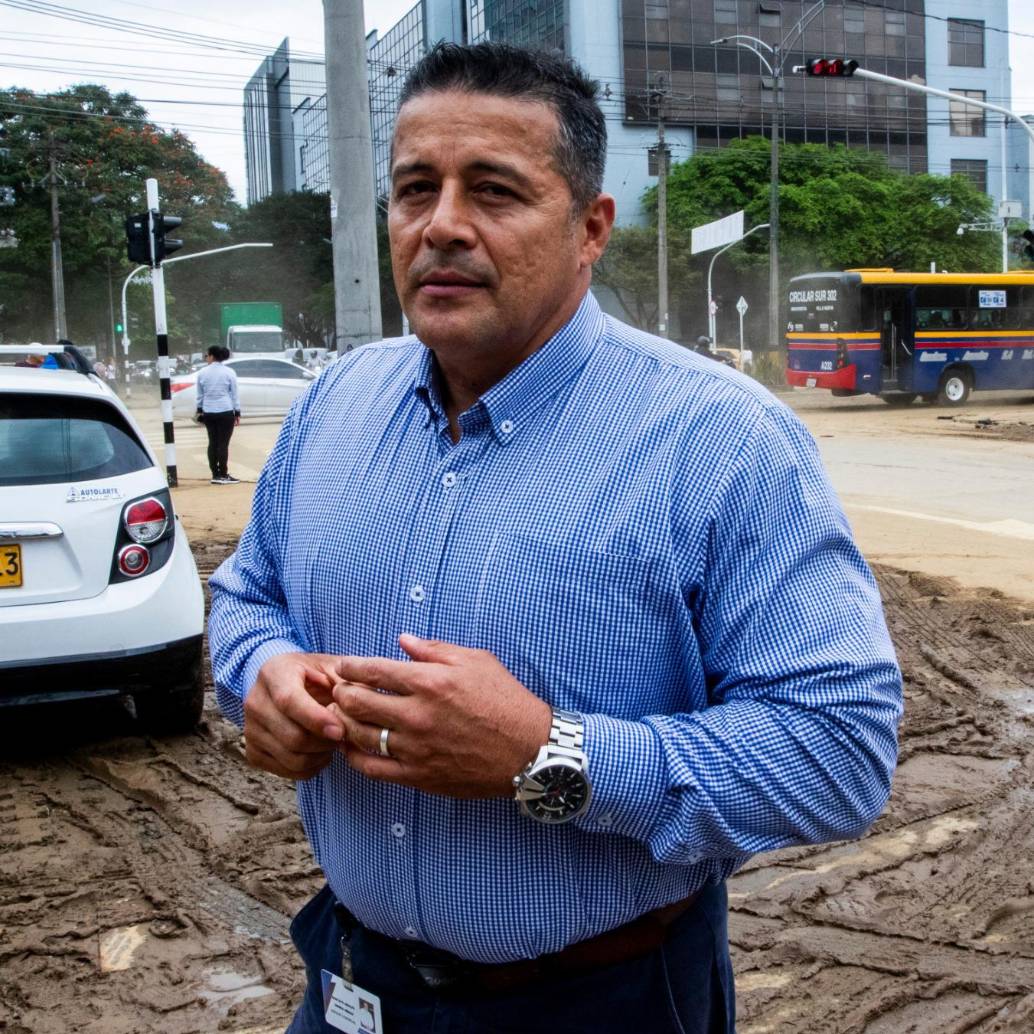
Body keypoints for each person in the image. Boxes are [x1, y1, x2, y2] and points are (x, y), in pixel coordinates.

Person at [208, 42, 902, 1034]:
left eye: (492, 190)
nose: (441, 224)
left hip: (602, 996)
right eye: (415, 189)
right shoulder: (333, 406)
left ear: (589, 228)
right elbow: (245, 597)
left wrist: (546, 753)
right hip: (350, 982)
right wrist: (264, 673)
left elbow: (834, 753)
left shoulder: (719, 439)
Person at [195, 345, 240, 484]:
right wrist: (237, 411)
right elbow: (234, 394)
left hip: (209, 412)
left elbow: (199, 395)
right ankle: (224, 474)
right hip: (225, 411)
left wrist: (199, 410)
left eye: (206, 356)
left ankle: (215, 474)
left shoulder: (202, 373)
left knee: (212, 443)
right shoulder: (229, 372)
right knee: (223, 444)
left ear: (212, 356)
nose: (206, 358)